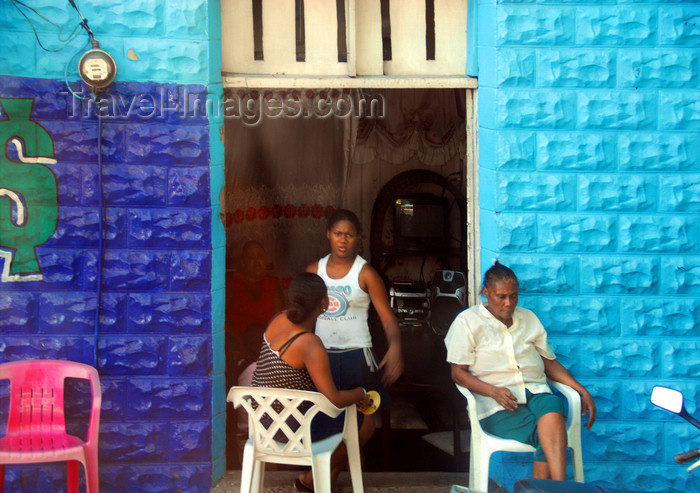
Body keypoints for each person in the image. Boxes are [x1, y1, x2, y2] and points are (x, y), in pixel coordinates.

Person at [445, 261, 596, 481]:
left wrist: (581, 391)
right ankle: (560, 486)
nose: (508, 303)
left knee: (553, 405)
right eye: (501, 296)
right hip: (497, 404)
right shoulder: (467, 322)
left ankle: (558, 487)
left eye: (513, 296)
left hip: (535, 391)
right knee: (550, 436)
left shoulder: (529, 318)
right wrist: (493, 391)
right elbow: (457, 373)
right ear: (486, 293)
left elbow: (549, 363)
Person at [251, 272, 374, 492]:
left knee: (345, 415)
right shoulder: (309, 344)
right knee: (364, 424)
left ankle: (316, 483)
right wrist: (361, 393)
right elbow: (334, 399)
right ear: (324, 303)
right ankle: (310, 480)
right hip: (290, 431)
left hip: (262, 422)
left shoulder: (278, 319)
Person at [306, 209, 403, 404]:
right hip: (320, 353)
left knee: (363, 418)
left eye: (349, 235)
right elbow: (303, 317)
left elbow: (387, 317)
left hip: (358, 354)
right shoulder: (314, 271)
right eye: (338, 234)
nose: (343, 240)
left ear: (358, 237)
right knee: (324, 416)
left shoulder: (366, 273)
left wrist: (395, 346)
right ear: (328, 234)